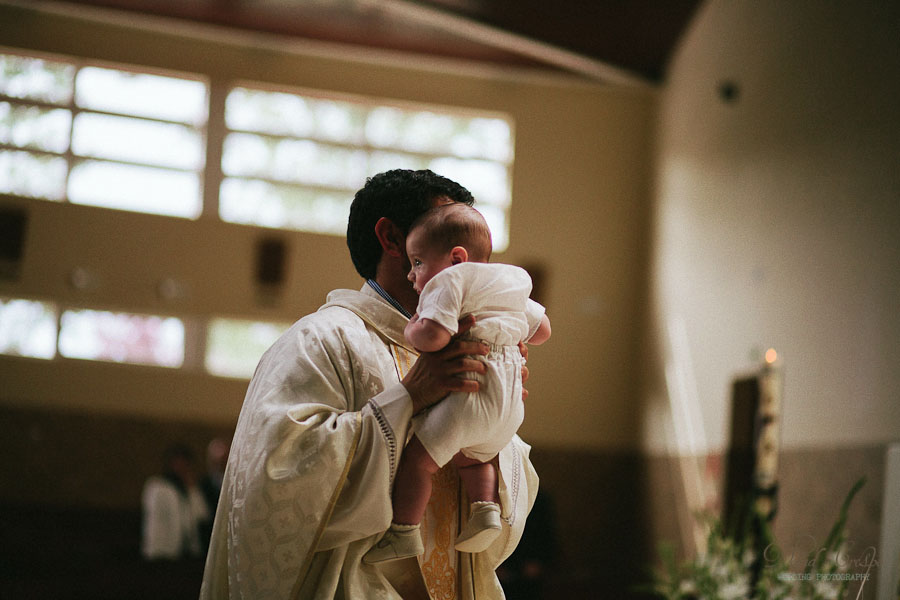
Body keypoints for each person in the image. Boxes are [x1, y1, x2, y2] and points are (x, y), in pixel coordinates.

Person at [200, 169, 540, 600]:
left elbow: (500, 508)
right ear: (392, 239)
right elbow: (277, 479)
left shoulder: (469, 340)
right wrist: (410, 396)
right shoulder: (322, 340)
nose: (470, 266)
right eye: (454, 247)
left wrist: (498, 422)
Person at [363, 203, 550, 565]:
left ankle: (401, 531)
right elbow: (542, 331)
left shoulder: (450, 279)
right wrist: (508, 344)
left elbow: (432, 337)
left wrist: (414, 327)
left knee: (419, 461)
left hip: (470, 397)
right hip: (509, 404)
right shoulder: (508, 282)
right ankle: (486, 510)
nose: (411, 275)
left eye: (417, 263)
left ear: (456, 258)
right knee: (476, 456)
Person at [141, 443, 210, 560]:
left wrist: (192, 489)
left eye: (185, 463)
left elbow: (202, 515)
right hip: (162, 551)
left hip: (187, 551)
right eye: (177, 462)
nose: (181, 467)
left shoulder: (190, 488)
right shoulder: (157, 487)